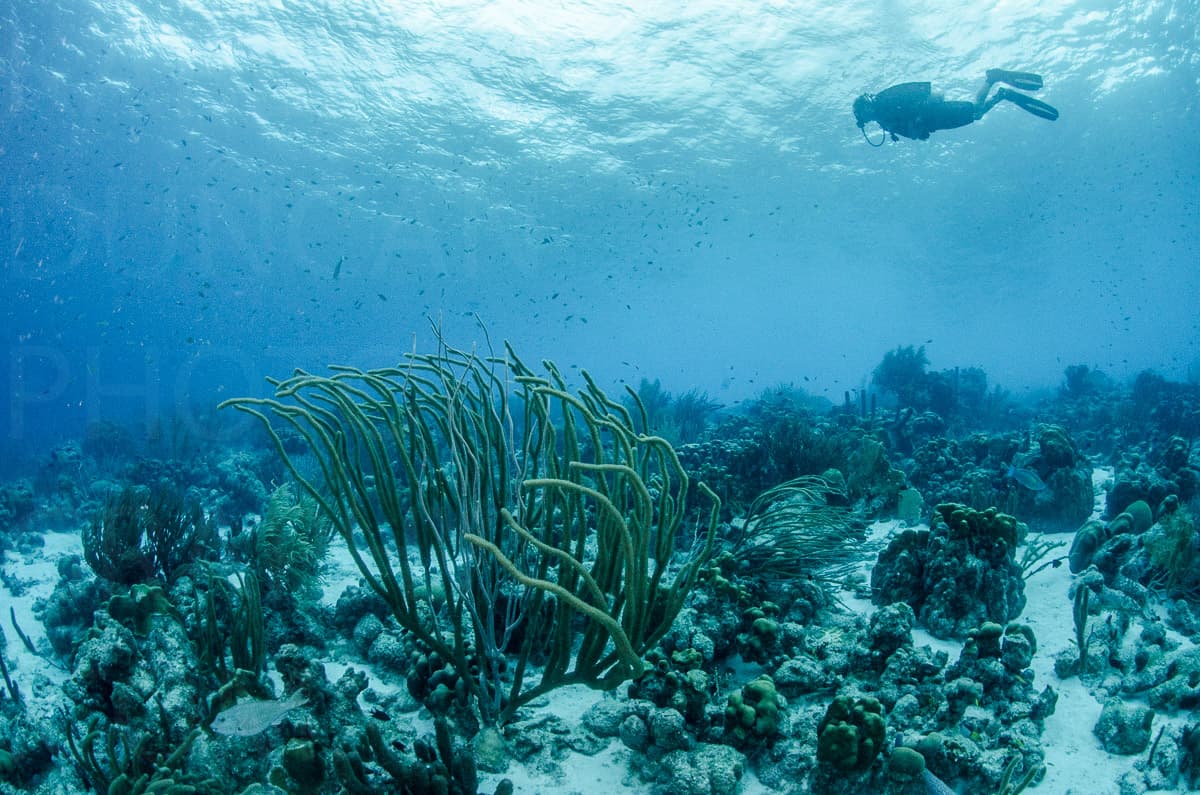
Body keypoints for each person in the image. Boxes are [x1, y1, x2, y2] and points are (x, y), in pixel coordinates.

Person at [852, 68, 1059, 143]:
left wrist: (920, 115)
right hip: (936, 121)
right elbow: (914, 134)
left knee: (976, 110)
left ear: (867, 105)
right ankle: (1002, 95)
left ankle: (993, 78)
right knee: (976, 115)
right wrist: (917, 129)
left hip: (936, 113)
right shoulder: (885, 120)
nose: (866, 118)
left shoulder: (886, 100)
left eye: (863, 113)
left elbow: (930, 91)